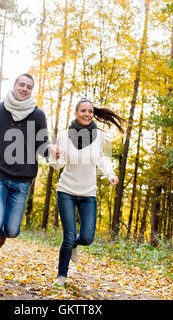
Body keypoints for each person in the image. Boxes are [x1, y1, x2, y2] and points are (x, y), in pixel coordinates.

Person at [0, 73, 52, 285]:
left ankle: (3, 235)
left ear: (32, 90)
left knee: (13, 230)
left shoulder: (37, 115)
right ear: (14, 86)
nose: (24, 89)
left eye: (29, 87)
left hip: (22, 181)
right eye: (21, 85)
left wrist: (53, 152)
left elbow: (43, 144)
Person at [48, 98, 125, 286]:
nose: (87, 114)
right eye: (83, 111)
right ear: (76, 114)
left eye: (90, 111)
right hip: (66, 190)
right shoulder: (64, 136)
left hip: (88, 193)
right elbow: (57, 165)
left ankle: (75, 244)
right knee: (68, 235)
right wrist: (54, 155)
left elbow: (100, 159)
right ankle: (61, 277)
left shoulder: (99, 136)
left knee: (88, 237)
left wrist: (110, 174)